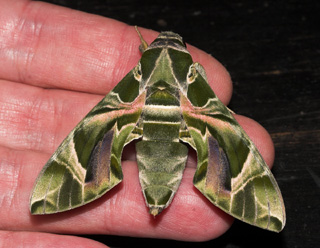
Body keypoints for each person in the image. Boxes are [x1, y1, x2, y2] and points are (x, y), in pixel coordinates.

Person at [0, 0, 275, 247]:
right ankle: (258, 203)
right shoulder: (195, 75)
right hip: (186, 121)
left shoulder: (136, 76)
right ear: (189, 63)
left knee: (90, 137)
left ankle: (56, 192)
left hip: (139, 122)